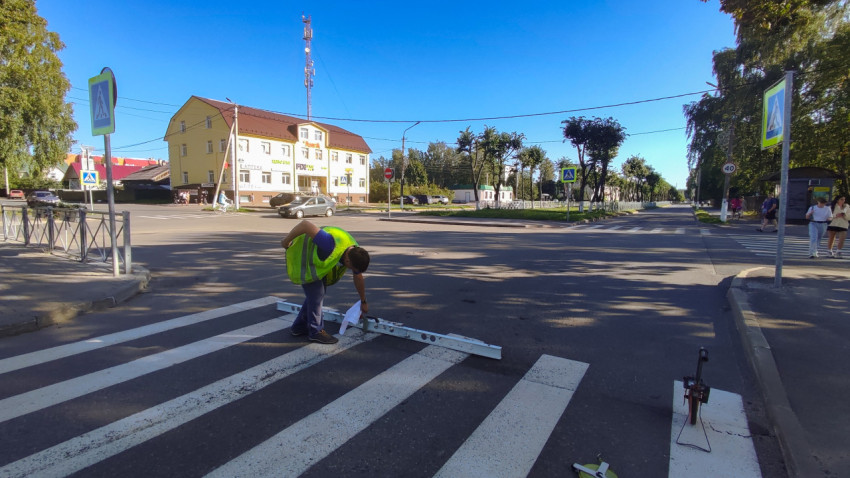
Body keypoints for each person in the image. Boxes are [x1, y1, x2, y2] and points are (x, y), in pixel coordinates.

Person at [280, 220, 370, 344]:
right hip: (303, 262)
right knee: (317, 295)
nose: (352, 271)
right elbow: (305, 225)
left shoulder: (355, 253)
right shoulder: (329, 244)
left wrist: (363, 301)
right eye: (351, 268)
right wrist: (286, 241)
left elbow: (358, 277)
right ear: (348, 261)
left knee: (315, 296)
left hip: (317, 265)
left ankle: (299, 327)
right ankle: (316, 332)